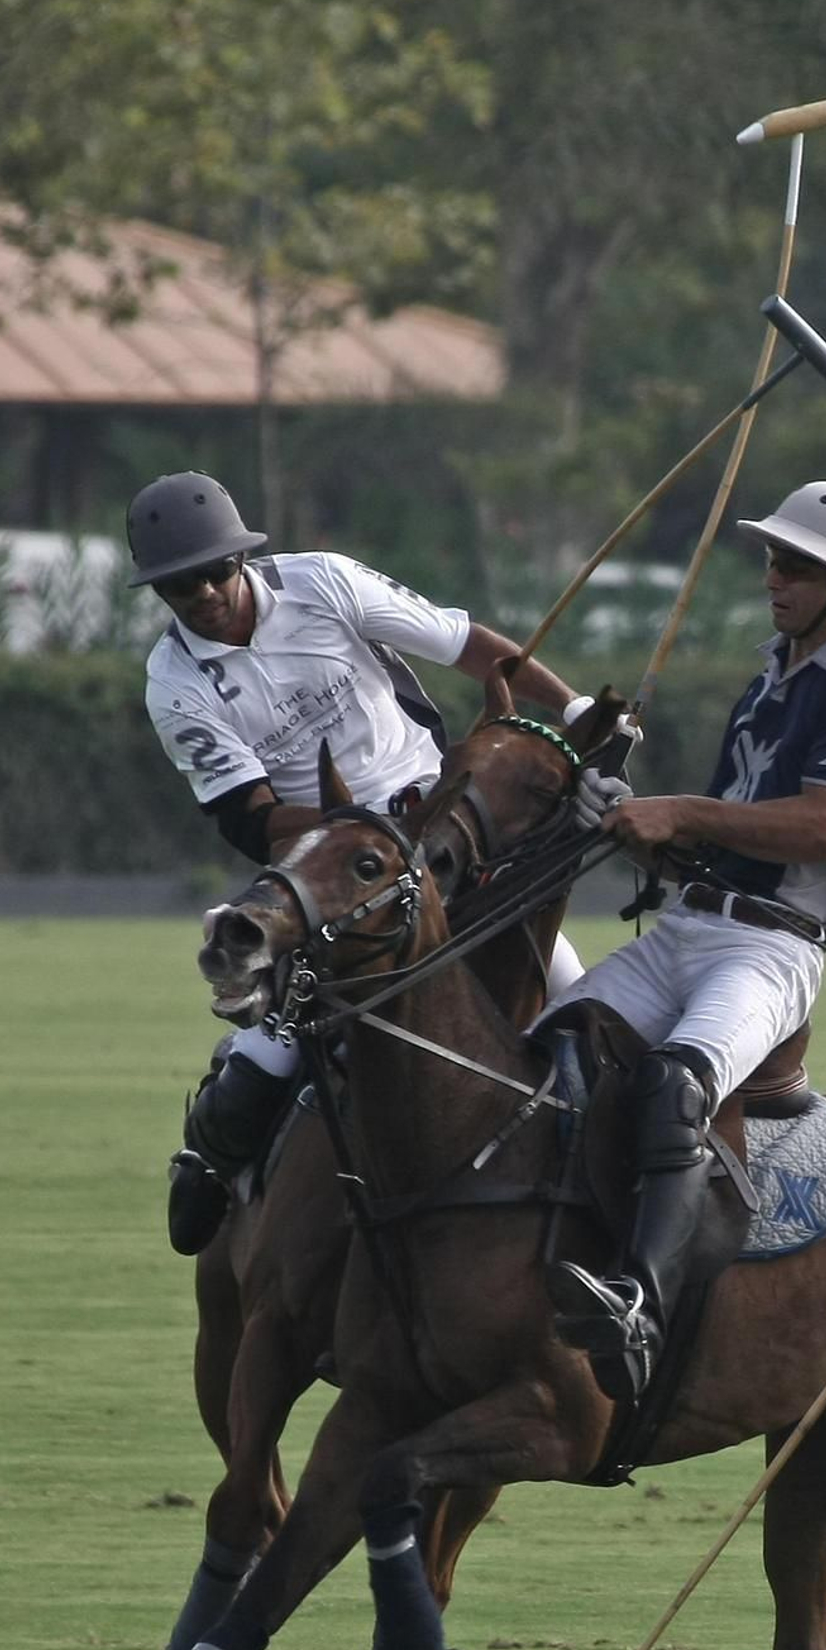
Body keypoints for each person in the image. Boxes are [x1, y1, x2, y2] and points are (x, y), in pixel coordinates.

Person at [128, 469, 588, 1254]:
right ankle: (212, 1158)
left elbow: (466, 643)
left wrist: (571, 705)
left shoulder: (325, 582)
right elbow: (255, 816)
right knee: (272, 1049)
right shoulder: (174, 683)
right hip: (328, 866)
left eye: (214, 570)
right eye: (179, 585)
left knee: (572, 995)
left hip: (445, 830)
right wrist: (369, 830)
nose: (203, 591)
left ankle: (593, 1180)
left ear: (241, 558)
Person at [544, 479, 826, 1402]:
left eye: (798, 565)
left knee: (676, 1083)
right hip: (690, 924)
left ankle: (638, 1304)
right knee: (549, 1048)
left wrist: (680, 810)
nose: (775, 578)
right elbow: (721, 836)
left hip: (771, 949)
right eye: (773, 559)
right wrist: (629, 817)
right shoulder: (770, 680)